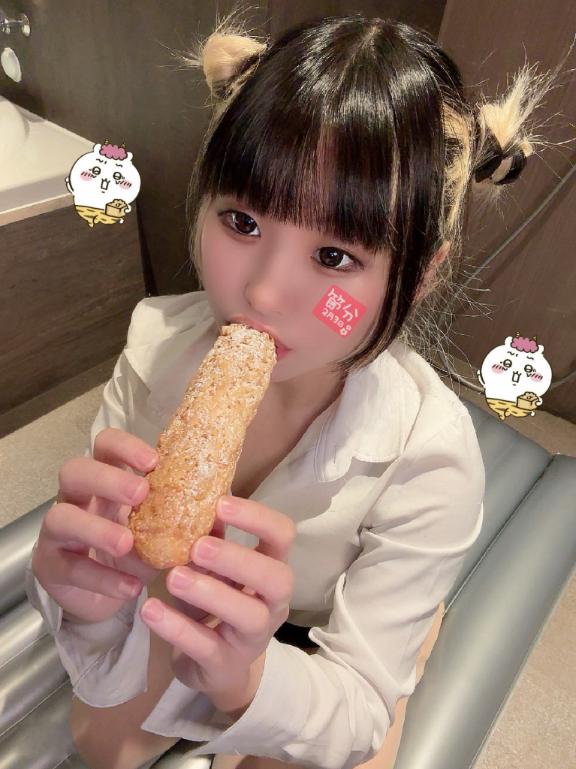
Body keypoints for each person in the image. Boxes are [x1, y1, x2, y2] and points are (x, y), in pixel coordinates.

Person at [25, 9, 566, 769]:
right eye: (242, 221)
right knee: (105, 745)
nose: (265, 293)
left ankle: (417, 623)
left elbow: (353, 704)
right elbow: (109, 577)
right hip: (192, 587)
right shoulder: (154, 348)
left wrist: (250, 681)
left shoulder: (432, 461)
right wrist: (84, 600)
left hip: (318, 621)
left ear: (419, 275)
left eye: (336, 256)